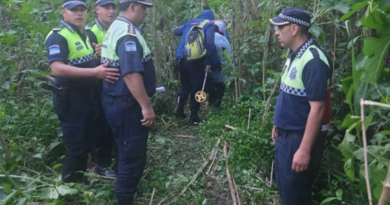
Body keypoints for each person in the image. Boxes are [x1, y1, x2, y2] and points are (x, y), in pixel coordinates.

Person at [44, 0, 119, 183]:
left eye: (82, 10)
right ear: (64, 13)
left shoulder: (82, 33)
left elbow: (79, 61)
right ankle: (69, 187)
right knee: (77, 146)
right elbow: (57, 69)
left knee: (87, 141)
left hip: (87, 97)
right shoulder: (58, 36)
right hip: (70, 98)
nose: (79, 14)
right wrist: (95, 72)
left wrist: (96, 57)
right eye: (74, 11)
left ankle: (81, 182)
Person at [269, 7, 332, 205]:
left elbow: (318, 108)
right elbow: (289, 96)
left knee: (296, 194)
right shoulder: (294, 55)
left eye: (280, 27)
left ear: (294, 29)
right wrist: (277, 124)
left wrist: (304, 150)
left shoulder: (313, 60)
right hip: (285, 136)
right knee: (286, 189)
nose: (276, 32)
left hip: (298, 139)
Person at [100, 0, 155, 204]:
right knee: (132, 155)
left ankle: (125, 187)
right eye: (144, 9)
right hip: (127, 104)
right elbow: (131, 74)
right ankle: (124, 198)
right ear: (132, 7)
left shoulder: (116, 26)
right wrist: (146, 106)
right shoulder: (128, 33)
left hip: (115, 100)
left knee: (123, 148)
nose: (146, 14)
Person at [85, 0, 117, 177]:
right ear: (97, 10)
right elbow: (88, 64)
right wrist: (96, 58)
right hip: (97, 87)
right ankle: (101, 164)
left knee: (111, 122)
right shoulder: (90, 32)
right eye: (107, 8)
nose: (111, 11)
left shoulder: (116, 28)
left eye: (113, 8)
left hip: (113, 84)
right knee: (99, 124)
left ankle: (110, 156)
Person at [172, 10, 220, 125]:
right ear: (212, 19)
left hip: (181, 58)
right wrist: (209, 63)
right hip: (196, 62)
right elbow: (210, 45)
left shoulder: (190, 23)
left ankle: (179, 108)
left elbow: (176, 32)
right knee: (197, 88)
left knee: (185, 85)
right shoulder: (209, 25)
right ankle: (193, 118)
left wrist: (178, 28)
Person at [208, 21, 232, 108]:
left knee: (212, 85)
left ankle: (212, 102)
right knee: (220, 85)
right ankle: (217, 104)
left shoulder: (209, 38)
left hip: (211, 67)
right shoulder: (223, 38)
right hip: (222, 67)